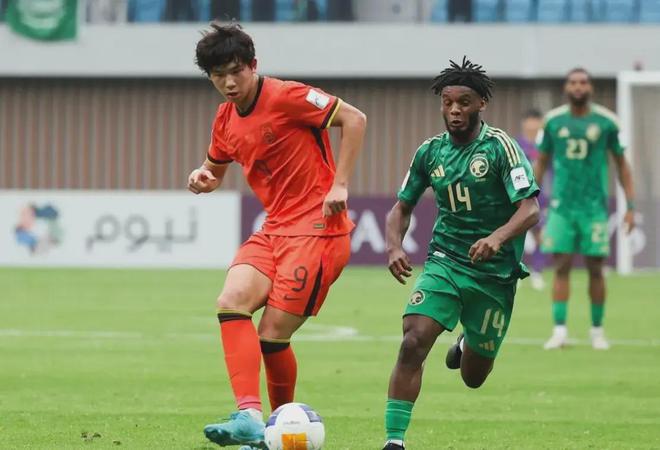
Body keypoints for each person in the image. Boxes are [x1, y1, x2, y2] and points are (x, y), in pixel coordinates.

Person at [187, 23, 366, 449]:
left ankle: (275, 431)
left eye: (236, 71)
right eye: (218, 75)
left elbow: (354, 119)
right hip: (274, 229)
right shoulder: (225, 118)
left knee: (271, 335)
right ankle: (250, 417)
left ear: (253, 65)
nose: (229, 83)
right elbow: (215, 168)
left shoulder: (287, 97)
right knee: (231, 300)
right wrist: (203, 176)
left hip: (319, 232)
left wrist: (340, 184)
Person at [382, 57, 540, 450]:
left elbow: (530, 209)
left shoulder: (501, 148)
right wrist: (394, 245)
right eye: (448, 102)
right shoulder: (430, 152)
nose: (454, 110)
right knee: (412, 341)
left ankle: (469, 343)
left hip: (494, 275)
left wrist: (497, 238)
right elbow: (401, 207)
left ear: (481, 104)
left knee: (473, 377)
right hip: (445, 262)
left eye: (464, 102)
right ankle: (394, 441)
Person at [535, 68, 635, 350]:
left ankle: (597, 331)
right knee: (561, 267)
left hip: (594, 208)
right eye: (573, 82)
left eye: (583, 82)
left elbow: (622, 165)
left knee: (596, 269)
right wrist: (529, 198)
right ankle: (559, 331)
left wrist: (630, 205)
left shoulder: (607, 122)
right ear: (566, 88)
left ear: (590, 88)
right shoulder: (553, 121)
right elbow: (541, 162)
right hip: (561, 207)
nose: (578, 87)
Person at [516, 109, 546, 290]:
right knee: (515, 233)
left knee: (540, 235)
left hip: (542, 195)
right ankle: (515, 272)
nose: (533, 124)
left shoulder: (545, 145)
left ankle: (537, 272)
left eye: (536, 120)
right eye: (530, 120)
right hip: (519, 196)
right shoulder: (516, 144)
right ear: (524, 123)